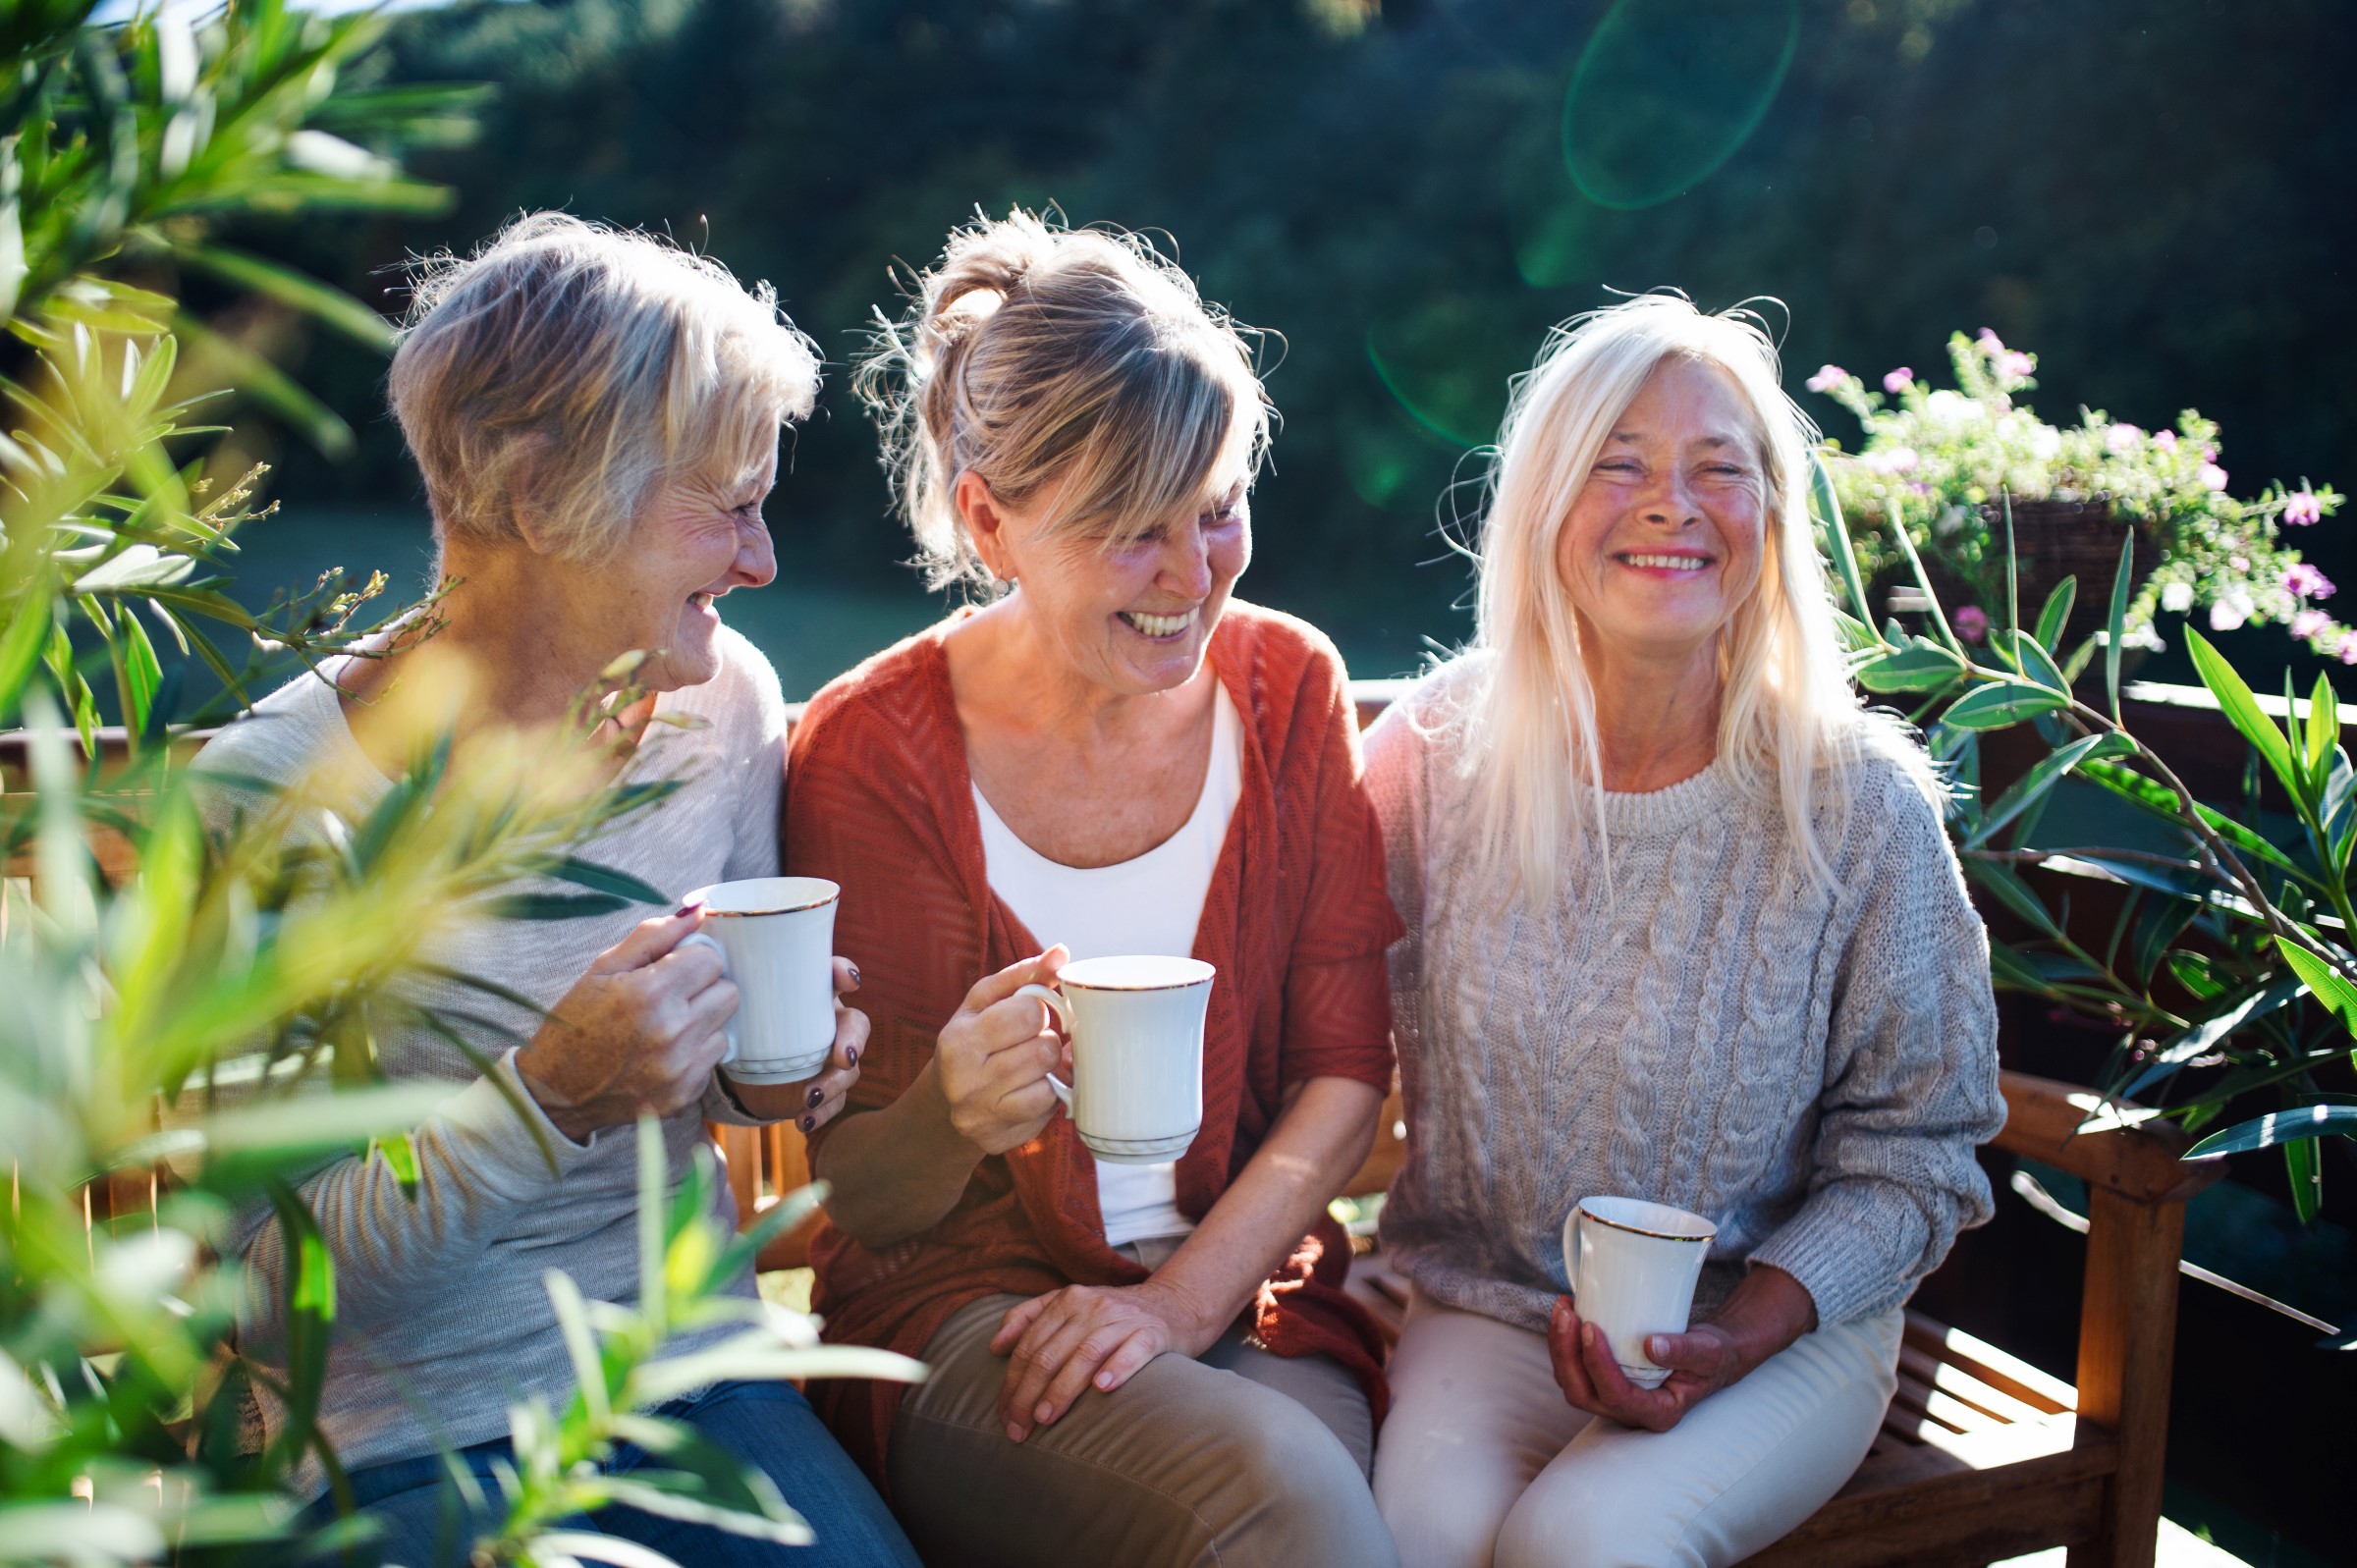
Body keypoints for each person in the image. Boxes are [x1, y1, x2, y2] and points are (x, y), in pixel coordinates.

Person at [194, 214, 918, 1567]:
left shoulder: (723, 706)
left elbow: (729, 1099)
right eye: (727, 504)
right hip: (392, 1442)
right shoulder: (274, 801)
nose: (762, 562)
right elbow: (268, 1299)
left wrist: (779, 1066)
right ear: (535, 497)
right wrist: (545, 1099)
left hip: (685, 1375)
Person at [784, 210, 1403, 1568]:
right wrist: (950, 1109)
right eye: (1136, 531)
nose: (1194, 578)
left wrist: (1179, 1305)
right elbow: (868, 1202)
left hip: (1245, 1303)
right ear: (989, 519)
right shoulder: (871, 751)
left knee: (1325, 1510)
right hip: (961, 1320)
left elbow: (1344, 1078)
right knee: (1288, 1509)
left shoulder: (1290, 688)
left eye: (1220, 508)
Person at [1363, 294, 2005, 1568]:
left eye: (1721, 468)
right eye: (1620, 463)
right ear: (1544, 502)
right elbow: (1302, 1021)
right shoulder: (1434, 754)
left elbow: (1922, 1151)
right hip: (1486, 1301)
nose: (1673, 501)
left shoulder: (1860, 809)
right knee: (1404, 1544)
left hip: (1783, 1326)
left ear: (1772, 523)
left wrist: (1743, 1334)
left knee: (1583, 1544)